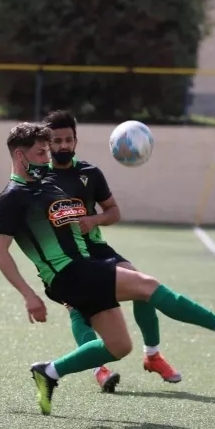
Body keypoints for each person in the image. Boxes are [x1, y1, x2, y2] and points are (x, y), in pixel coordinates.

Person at [0, 122, 215, 415]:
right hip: (68, 273)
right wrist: (29, 295)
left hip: (83, 266)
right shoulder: (12, 197)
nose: (47, 157)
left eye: (47, 151)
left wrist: (90, 221)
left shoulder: (48, 185)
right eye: (41, 153)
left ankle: (49, 372)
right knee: (148, 287)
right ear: (19, 155)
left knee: (119, 346)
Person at [42, 110, 181, 391]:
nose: (63, 146)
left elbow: (114, 211)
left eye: (68, 139)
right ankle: (98, 368)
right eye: (57, 141)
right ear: (48, 145)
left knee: (144, 287)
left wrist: (94, 220)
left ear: (76, 141)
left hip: (97, 249)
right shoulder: (38, 180)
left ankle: (153, 355)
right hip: (66, 259)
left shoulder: (90, 173)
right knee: (79, 310)